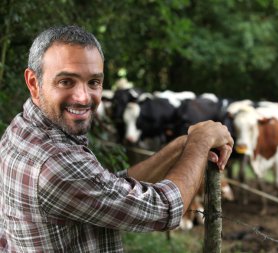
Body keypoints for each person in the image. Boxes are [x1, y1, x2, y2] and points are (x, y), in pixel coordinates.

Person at [0, 25, 233, 252]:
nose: (83, 98)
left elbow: (104, 187)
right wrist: (199, 143)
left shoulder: (20, 129)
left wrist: (182, 144)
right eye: (66, 81)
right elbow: (163, 210)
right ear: (33, 82)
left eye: (94, 82)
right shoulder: (56, 162)